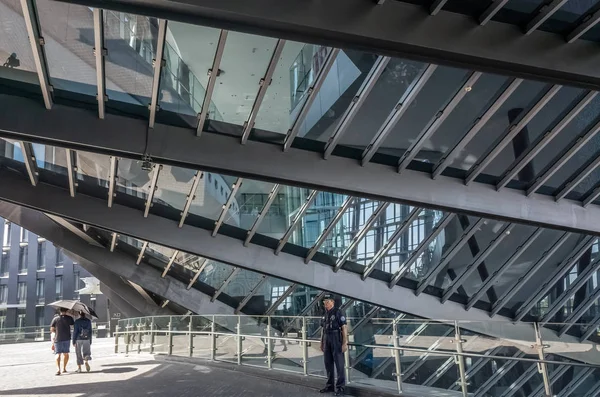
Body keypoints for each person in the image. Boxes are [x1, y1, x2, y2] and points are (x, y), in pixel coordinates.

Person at [319, 294, 348, 396]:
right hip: (327, 338)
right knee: (328, 363)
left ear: (332, 302)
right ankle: (330, 386)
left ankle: (340, 388)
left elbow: (344, 328)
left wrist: (345, 343)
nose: (325, 304)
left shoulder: (338, 312)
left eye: (327, 302)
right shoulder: (325, 314)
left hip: (336, 338)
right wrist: (321, 341)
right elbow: (323, 329)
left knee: (339, 364)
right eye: (324, 302)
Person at [50, 308, 75, 375]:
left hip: (57, 338)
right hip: (67, 338)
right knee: (66, 353)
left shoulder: (55, 319)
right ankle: (64, 368)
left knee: (57, 354)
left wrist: (56, 331)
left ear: (60, 311)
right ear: (66, 311)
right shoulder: (70, 318)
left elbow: (52, 329)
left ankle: (58, 369)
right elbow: (73, 326)